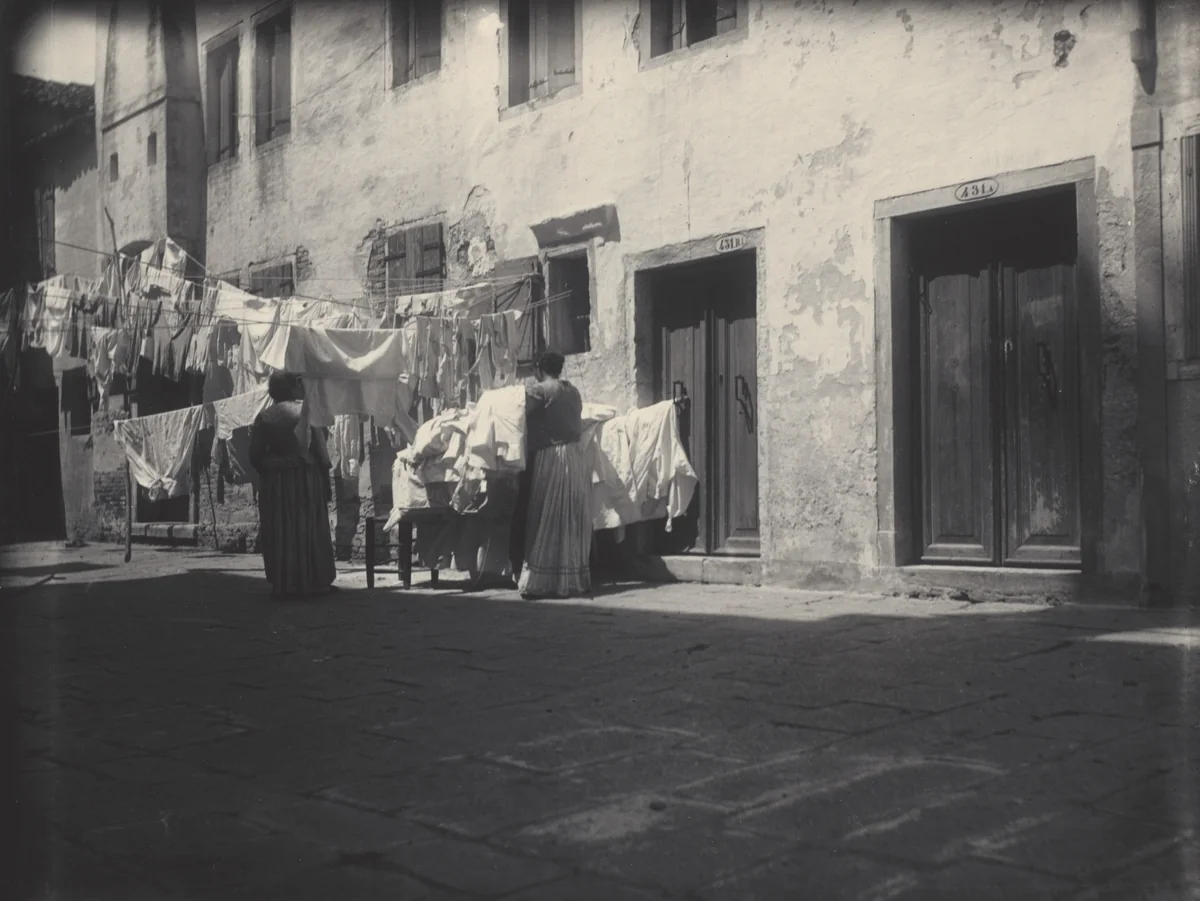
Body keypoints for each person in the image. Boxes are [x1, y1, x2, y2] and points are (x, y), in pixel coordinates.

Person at [248, 371, 337, 598]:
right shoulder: (307, 412)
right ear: (292, 387)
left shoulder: (265, 417)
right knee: (308, 526)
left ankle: (284, 583)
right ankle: (313, 581)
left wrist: (274, 465)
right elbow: (321, 451)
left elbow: (255, 455)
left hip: (277, 482)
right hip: (306, 478)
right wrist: (323, 472)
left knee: (282, 528)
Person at [512, 351, 593, 599]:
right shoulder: (573, 390)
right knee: (567, 514)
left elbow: (519, 415)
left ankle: (543, 579)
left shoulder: (540, 390)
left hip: (553, 456)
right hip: (574, 456)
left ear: (539, 368)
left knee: (547, 513)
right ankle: (568, 576)